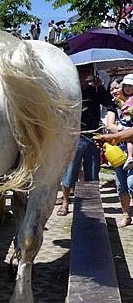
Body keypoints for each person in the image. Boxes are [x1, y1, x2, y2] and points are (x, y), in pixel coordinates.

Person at [58, 65, 114, 216]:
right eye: (81, 73)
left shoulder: (95, 90)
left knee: (92, 173)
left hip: (92, 137)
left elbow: (109, 104)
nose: (84, 77)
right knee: (69, 172)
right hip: (75, 136)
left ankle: (93, 204)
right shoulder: (71, 92)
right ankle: (65, 202)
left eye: (87, 74)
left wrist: (100, 87)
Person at [105, 77, 133, 227]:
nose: (114, 91)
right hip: (118, 150)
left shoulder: (131, 103)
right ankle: (126, 215)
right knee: (121, 185)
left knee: (131, 183)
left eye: (117, 87)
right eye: (111, 89)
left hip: (132, 148)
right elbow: (110, 126)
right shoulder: (112, 106)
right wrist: (124, 131)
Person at [112, 74, 133, 170]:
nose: (127, 88)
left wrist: (130, 111)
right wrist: (118, 102)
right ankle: (128, 156)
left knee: (129, 139)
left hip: (130, 125)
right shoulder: (126, 99)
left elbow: (129, 109)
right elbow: (124, 106)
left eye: (130, 86)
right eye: (125, 86)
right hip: (127, 123)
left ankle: (129, 157)